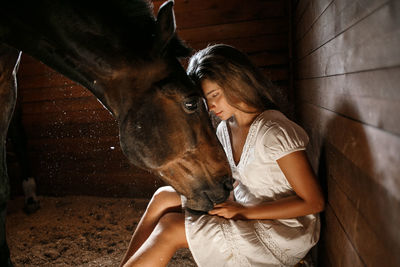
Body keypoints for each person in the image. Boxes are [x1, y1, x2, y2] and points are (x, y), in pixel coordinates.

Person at [119, 44, 325, 267]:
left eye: (215, 95)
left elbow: (314, 202)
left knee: (170, 228)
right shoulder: (224, 129)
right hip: (243, 207)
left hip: (283, 232)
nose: (211, 106)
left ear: (237, 82)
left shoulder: (274, 132)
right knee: (163, 197)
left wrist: (244, 211)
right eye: (207, 100)